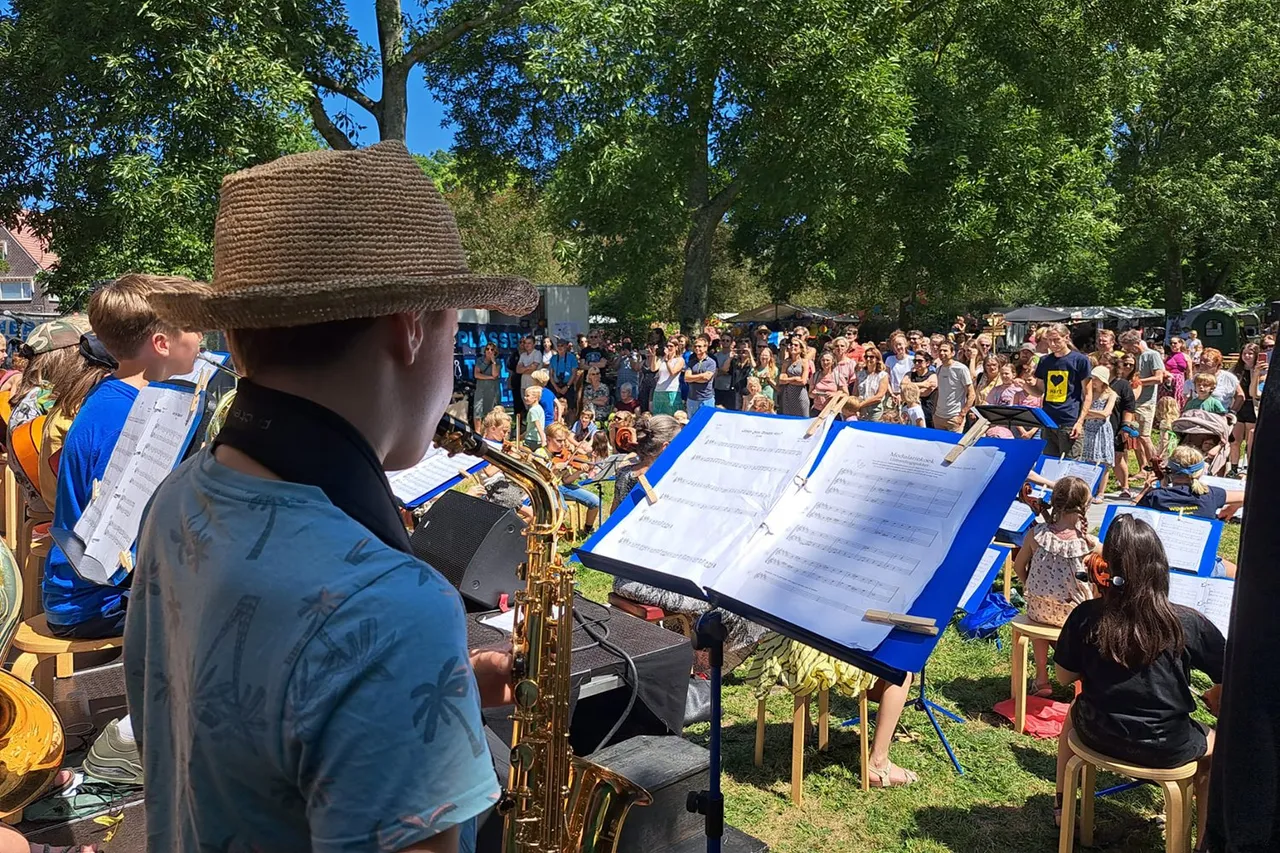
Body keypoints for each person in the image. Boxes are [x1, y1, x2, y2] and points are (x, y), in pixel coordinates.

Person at [128, 143, 533, 852]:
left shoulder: (175, 500)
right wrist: (404, 658)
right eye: (452, 326)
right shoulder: (391, 610)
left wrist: (441, 683)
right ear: (410, 326)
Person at [1053, 513, 1223, 832]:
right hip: (1167, 745)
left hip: (1099, 733)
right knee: (1215, 746)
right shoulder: (1186, 622)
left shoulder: (1087, 616)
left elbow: (1063, 678)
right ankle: (1204, 840)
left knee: (1072, 712)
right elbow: (1231, 678)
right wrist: (1215, 694)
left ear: (1110, 570)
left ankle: (1062, 809)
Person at [1011, 477, 1098, 697]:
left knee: (1039, 612)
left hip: (1039, 608)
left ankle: (1042, 678)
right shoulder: (1089, 543)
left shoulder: (1037, 534)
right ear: (1085, 507)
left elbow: (1019, 566)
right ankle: (1081, 678)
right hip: (1075, 615)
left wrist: (1029, 584)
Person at [37, 334, 117, 510]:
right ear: (107, 374)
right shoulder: (83, 409)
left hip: (53, 500)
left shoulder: (68, 400)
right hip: (68, 508)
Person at [1138, 445, 1244, 578]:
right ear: (1200, 472)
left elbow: (1128, 517)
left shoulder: (1155, 497)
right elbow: (1248, 495)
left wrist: (1144, 491)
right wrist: (1232, 508)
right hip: (1200, 565)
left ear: (1169, 470)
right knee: (1241, 575)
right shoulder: (1212, 494)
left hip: (1160, 564)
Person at [1029, 323, 1093, 458]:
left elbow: (1087, 394)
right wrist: (1023, 384)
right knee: (1048, 462)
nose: (1052, 344)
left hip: (1069, 420)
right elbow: (1039, 391)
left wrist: (1080, 422)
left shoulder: (1080, 360)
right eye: (1049, 340)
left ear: (1066, 338)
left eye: (1056, 339)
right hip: (1048, 420)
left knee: (1069, 462)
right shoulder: (1045, 361)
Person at [1080, 366, 1117, 498]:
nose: (1093, 381)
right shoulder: (1089, 393)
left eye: (1096, 379)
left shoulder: (1111, 394)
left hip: (1102, 429)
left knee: (1103, 461)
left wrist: (1087, 413)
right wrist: (1091, 414)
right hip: (1088, 428)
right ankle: (1088, 490)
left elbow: (1106, 413)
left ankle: (1101, 492)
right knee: (1087, 459)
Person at [1108, 352, 1138, 499]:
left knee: (1117, 457)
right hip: (1096, 426)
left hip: (1116, 423)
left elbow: (1129, 406)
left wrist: (1125, 426)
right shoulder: (1094, 382)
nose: (1103, 366)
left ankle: (1125, 487)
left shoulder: (1123, 384)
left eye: (1107, 364)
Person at [1229, 343, 1259, 475]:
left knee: (1250, 441)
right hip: (1239, 406)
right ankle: (1234, 468)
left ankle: (1248, 467)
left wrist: (1257, 372)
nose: (1247, 356)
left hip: (1253, 407)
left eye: (1251, 353)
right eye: (1244, 353)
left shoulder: (1261, 370)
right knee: (1235, 440)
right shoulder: (1235, 370)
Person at [931, 341, 973, 433]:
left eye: (945, 350)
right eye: (940, 350)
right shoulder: (939, 369)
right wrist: (934, 413)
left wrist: (962, 414)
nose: (942, 353)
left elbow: (971, 394)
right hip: (939, 417)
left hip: (954, 416)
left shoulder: (961, 369)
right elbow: (939, 392)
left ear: (952, 353)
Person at [983, 363, 1027, 439]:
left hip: (1015, 423)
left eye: (1006, 374)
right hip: (999, 423)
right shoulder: (995, 389)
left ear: (1013, 374)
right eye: (1002, 374)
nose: (1004, 376)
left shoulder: (1019, 389)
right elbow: (988, 404)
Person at [777, 337, 812, 417]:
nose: (793, 347)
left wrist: (787, 380)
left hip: (800, 396)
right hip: (788, 396)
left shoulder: (804, 362)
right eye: (791, 345)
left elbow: (803, 381)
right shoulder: (786, 362)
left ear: (801, 349)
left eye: (796, 345)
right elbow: (781, 380)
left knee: (803, 419)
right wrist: (795, 378)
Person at [684, 334, 717, 416]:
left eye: (699, 346)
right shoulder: (691, 362)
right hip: (692, 399)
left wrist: (693, 378)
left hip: (706, 399)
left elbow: (706, 379)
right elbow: (686, 378)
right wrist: (701, 376)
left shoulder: (711, 362)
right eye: (695, 346)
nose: (697, 348)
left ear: (705, 348)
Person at [650, 339, 684, 416]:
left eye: (671, 346)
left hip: (672, 391)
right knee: (658, 415)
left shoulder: (679, 360)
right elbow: (653, 369)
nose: (668, 348)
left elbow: (673, 372)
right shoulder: (662, 359)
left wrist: (668, 361)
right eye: (667, 346)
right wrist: (654, 355)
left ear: (676, 347)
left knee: (671, 415)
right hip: (659, 391)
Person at [472, 342, 502, 431]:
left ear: (495, 352)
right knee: (477, 411)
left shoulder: (498, 362)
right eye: (487, 349)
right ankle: (477, 432)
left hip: (492, 390)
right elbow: (476, 374)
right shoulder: (479, 360)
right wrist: (489, 377)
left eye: (492, 349)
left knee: (491, 412)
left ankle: (488, 432)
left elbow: (495, 374)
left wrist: (493, 362)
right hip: (481, 390)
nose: (489, 351)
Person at [854, 348, 889, 422]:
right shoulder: (860, 374)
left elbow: (879, 396)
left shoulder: (882, 375)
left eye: (871, 357)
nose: (868, 359)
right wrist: (856, 407)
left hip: (875, 410)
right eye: (866, 357)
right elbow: (855, 393)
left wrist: (862, 404)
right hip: (861, 411)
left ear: (877, 359)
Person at [906, 352, 936, 425]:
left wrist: (909, 389)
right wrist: (922, 384)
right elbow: (903, 386)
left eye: (920, 361)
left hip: (927, 412)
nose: (916, 363)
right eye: (915, 361)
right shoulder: (909, 374)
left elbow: (925, 393)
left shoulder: (933, 375)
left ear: (927, 363)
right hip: (911, 412)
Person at [727, 339, 755, 410]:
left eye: (744, 350)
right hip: (735, 392)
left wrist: (750, 354)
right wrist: (730, 358)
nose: (743, 352)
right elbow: (725, 369)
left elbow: (754, 368)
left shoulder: (751, 362)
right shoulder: (735, 361)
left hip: (746, 392)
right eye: (741, 350)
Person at [1165, 335, 1191, 408]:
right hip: (1168, 380)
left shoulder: (1185, 356)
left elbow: (1189, 372)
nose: (1173, 345)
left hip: (1179, 380)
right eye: (1171, 343)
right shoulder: (1167, 357)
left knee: (1178, 399)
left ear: (1180, 344)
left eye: (1175, 343)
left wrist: (1189, 385)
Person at [523, 384, 546, 449]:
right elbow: (531, 427)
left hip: (532, 439)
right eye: (525, 395)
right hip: (536, 439)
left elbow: (538, 425)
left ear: (535, 398)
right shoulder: (539, 408)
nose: (525, 398)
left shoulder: (533, 410)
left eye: (527, 396)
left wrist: (543, 440)